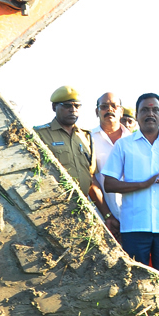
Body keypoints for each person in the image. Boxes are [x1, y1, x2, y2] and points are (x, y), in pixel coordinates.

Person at [102, 93, 159, 299]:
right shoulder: (125, 145)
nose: (150, 114)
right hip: (135, 225)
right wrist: (142, 184)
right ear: (138, 114)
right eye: (145, 110)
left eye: (155, 110)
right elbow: (109, 183)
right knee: (135, 283)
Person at [34, 87, 109, 220]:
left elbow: (91, 178)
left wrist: (107, 216)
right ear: (54, 107)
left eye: (77, 106)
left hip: (82, 208)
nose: (73, 110)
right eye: (67, 106)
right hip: (54, 210)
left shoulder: (85, 136)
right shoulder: (40, 134)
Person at [91, 92, 131, 239]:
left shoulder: (134, 140)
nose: (110, 110)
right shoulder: (88, 139)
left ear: (121, 111)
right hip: (103, 219)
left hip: (135, 218)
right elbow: (90, 179)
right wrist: (107, 215)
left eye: (114, 106)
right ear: (97, 112)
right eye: (104, 106)